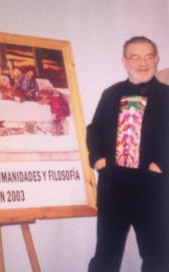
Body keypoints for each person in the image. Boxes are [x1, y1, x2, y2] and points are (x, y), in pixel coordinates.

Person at [87, 36, 169, 272]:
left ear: (155, 59)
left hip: (153, 187)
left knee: (158, 255)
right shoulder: (110, 94)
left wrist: (162, 164)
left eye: (148, 56)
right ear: (124, 61)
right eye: (135, 57)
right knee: (105, 255)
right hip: (114, 186)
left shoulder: (167, 95)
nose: (142, 63)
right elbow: (95, 129)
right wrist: (98, 159)